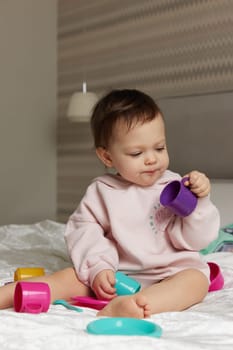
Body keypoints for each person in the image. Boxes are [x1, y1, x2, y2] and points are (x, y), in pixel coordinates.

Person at [0, 89, 220, 318]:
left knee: (196, 281)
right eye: (136, 153)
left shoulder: (175, 186)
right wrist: (99, 268)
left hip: (170, 272)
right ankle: (7, 294)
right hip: (116, 275)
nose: (152, 159)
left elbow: (198, 239)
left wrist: (199, 203)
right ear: (107, 157)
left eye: (160, 148)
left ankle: (138, 305)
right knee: (68, 277)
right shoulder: (102, 192)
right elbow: (84, 231)